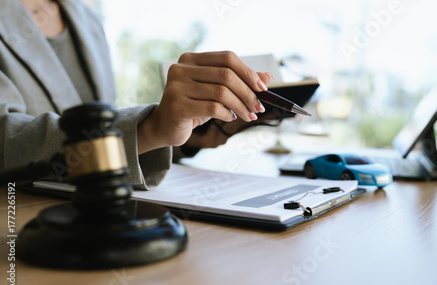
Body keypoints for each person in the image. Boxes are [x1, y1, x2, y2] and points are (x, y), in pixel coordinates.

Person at [0, 0, 273, 189]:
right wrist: (149, 128)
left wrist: (182, 138)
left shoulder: (86, 19)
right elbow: (7, 141)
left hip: (99, 218)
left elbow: (104, 132)